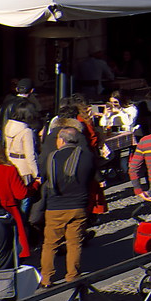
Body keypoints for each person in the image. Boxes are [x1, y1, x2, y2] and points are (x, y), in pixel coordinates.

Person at [35, 122, 98, 288]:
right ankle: (72, 275)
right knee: (74, 243)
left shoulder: (52, 158)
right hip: (78, 205)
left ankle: (46, 278)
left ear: (61, 141)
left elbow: (44, 176)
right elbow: (92, 177)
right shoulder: (86, 156)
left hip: (55, 206)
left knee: (50, 245)